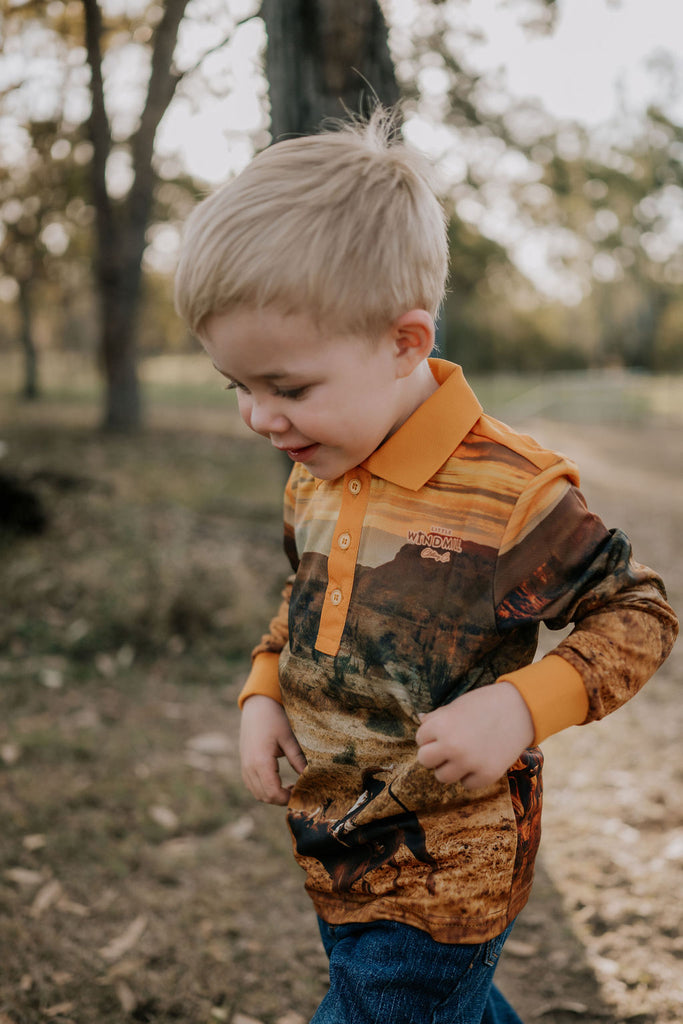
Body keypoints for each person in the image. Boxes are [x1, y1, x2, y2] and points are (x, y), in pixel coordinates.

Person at [174, 109, 678, 1024]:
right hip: (337, 838)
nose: (257, 418)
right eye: (236, 387)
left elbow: (636, 612)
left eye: (286, 388)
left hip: (446, 867)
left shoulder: (510, 490)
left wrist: (524, 703)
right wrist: (262, 689)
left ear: (406, 342)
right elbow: (306, 596)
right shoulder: (317, 473)